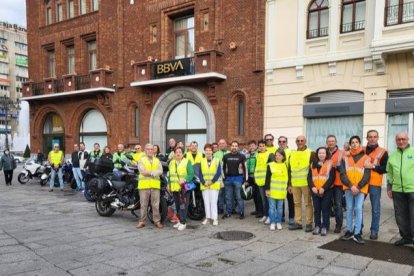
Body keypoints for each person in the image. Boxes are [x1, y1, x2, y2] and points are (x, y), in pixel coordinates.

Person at [340, 135, 370, 244]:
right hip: (349, 187)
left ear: (360, 144)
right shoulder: (345, 157)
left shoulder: (366, 157)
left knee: (358, 209)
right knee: (349, 208)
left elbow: (367, 175)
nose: (354, 144)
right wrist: (350, 185)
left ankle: (357, 233)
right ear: (350, 144)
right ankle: (349, 231)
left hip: (360, 188)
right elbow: (342, 173)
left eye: (356, 142)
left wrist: (357, 187)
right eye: (352, 142)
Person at [386, 132, 414, 247]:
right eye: (398, 139)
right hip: (397, 190)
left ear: (408, 139)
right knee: (400, 215)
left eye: (403, 139)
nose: (401, 141)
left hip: (412, 189)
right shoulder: (392, 155)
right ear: (396, 141)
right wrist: (389, 187)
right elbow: (390, 173)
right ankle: (406, 237)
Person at [363, 130, 388, 240]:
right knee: (358, 207)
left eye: (374, 136)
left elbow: (385, 168)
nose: (372, 138)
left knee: (375, 209)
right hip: (361, 182)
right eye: (370, 137)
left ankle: (374, 230)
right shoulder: (361, 150)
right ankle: (358, 228)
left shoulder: (383, 151)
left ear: (378, 138)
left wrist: (372, 166)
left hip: (374, 183)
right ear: (367, 138)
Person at [288, 135, 314, 232]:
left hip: (306, 184)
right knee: (297, 204)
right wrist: (289, 184)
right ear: (296, 142)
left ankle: (309, 223)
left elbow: (313, 170)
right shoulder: (292, 154)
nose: (300, 142)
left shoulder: (311, 153)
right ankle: (298, 222)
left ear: (305, 141)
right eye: (298, 140)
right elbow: (289, 170)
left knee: (308, 204)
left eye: (302, 140)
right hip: (295, 184)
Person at [136, 143, 164, 229]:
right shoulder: (141, 160)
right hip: (144, 186)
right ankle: (142, 221)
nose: (150, 151)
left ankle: (157, 221)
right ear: (145, 150)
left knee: (155, 205)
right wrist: (153, 173)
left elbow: (161, 171)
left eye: (152, 149)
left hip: (155, 185)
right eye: (148, 149)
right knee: (143, 204)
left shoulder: (157, 160)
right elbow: (142, 171)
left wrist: (151, 172)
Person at [308, 147, 335, 236]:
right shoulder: (312, 164)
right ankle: (317, 225)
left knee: (325, 209)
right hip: (315, 191)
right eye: (320, 153)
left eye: (323, 153)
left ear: (326, 154)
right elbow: (309, 177)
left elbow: (332, 178)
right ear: (317, 154)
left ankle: (325, 226)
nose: (321, 155)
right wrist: (312, 187)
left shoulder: (331, 164)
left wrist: (324, 188)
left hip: (326, 190)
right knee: (317, 209)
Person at [168, 147, 194, 231]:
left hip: (184, 189)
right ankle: (179, 220)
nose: (178, 153)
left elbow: (191, 174)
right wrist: (169, 184)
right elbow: (170, 175)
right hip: (175, 188)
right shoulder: (171, 163)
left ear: (183, 154)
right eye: (176, 152)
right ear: (174, 154)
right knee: (177, 205)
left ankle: (183, 222)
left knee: (183, 206)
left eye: (180, 152)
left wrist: (185, 179)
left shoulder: (187, 162)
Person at [222, 141, 248, 219]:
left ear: (238, 147)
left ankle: (241, 213)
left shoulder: (242, 156)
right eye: (232, 146)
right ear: (230, 147)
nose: (234, 147)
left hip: (238, 179)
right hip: (228, 180)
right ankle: (228, 213)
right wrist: (224, 178)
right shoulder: (226, 156)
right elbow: (222, 167)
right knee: (228, 198)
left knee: (239, 197)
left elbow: (245, 168)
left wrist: (245, 180)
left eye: (236, 146)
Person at [265, 148, 288, 231]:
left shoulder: (285, 165)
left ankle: (278, 222)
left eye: (279, 155)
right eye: (276, 155)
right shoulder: (270, 165)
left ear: (283, 156)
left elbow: (286, 178)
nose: (277, 157)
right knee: (271, 208)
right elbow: (267, 179)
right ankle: (272, 222)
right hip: (272, 191)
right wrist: (267, 189)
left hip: (281, 191)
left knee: (280, 208)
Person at [199, 144, 222, 226]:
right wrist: (203, 182)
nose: (208, 152)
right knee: (206, 202)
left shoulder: (217, 160)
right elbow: (200, 173)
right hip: (204, 185)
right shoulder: (202, 160)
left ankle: (215, 218)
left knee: (213, 202)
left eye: (209, 150)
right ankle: (208, 218)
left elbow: (219, 172)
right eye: (206, 150)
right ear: (204, 151)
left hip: (214, 184)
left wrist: (212, 181)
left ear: (212, 151)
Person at [326, 135, 345, 233]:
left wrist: (337, 166)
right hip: (327, 182)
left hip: (338, 183)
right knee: (327, 204)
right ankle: (326, 224)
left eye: (332, 141)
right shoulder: (323, 152)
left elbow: (346, 166)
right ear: (326, 142)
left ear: (336, 142)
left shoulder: (342, 153)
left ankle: (338, 225)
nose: (331, 143)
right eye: (329, 141)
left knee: (338, 204)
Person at [254, 139, 275, 224]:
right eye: (260, 146)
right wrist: (255, 178)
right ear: (258, 147)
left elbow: (273, 168)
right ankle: (265, 215)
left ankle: (270, 216)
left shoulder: (270, 154)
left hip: (268, 182)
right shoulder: (257, 155)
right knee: (263, 200)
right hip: (259, 181)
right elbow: (256, 167)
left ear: (265, 146)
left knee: (269, 200)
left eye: (263, 146)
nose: (261, 147)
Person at [277, 136, 294, 225]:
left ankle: (291, 217)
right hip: (279, 181)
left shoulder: (291, 152)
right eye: (280, 141)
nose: (282, 143)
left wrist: (290, 184)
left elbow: (292, 168)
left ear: (287, 142)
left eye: (284, 141)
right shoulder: (275, 152)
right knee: (280, 200)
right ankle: (281, 216)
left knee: (290, 200)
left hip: (288, 181)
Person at [246, 140, 263, 218]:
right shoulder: (247, 155)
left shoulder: (258, 154)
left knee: (259, 195)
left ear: (256, 146)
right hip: (250, 177)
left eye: (253, 145)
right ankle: (257, 210)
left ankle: (260, 211)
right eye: (250, 146)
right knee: (254, 195)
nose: (251, 147)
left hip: (257, 177)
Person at [214, 138, 229, 214]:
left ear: (226, 144)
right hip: (220, 177)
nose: (222, 145)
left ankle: (230, 209)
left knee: (229, 193)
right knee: (220, 193)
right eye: (220, 144)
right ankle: (220, 208)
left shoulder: (229, 153)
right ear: (218, 145)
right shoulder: (216, 154)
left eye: (223, 143)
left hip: (229, 176)